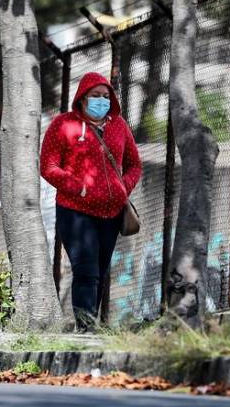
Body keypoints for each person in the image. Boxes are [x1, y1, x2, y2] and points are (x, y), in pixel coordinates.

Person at [41, 72, 142, 330]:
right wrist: (78, 187)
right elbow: (48, 166)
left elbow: (134, 164)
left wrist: (123, 189)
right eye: (95, 96)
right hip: (75, 210)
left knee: (99, 271)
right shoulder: (63, 124)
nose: (101, 101)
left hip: (111, 213)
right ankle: (85, 326)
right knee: (85, 269)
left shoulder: (119, 125)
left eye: (105, 96)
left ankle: (89, 326)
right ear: (82, 98)